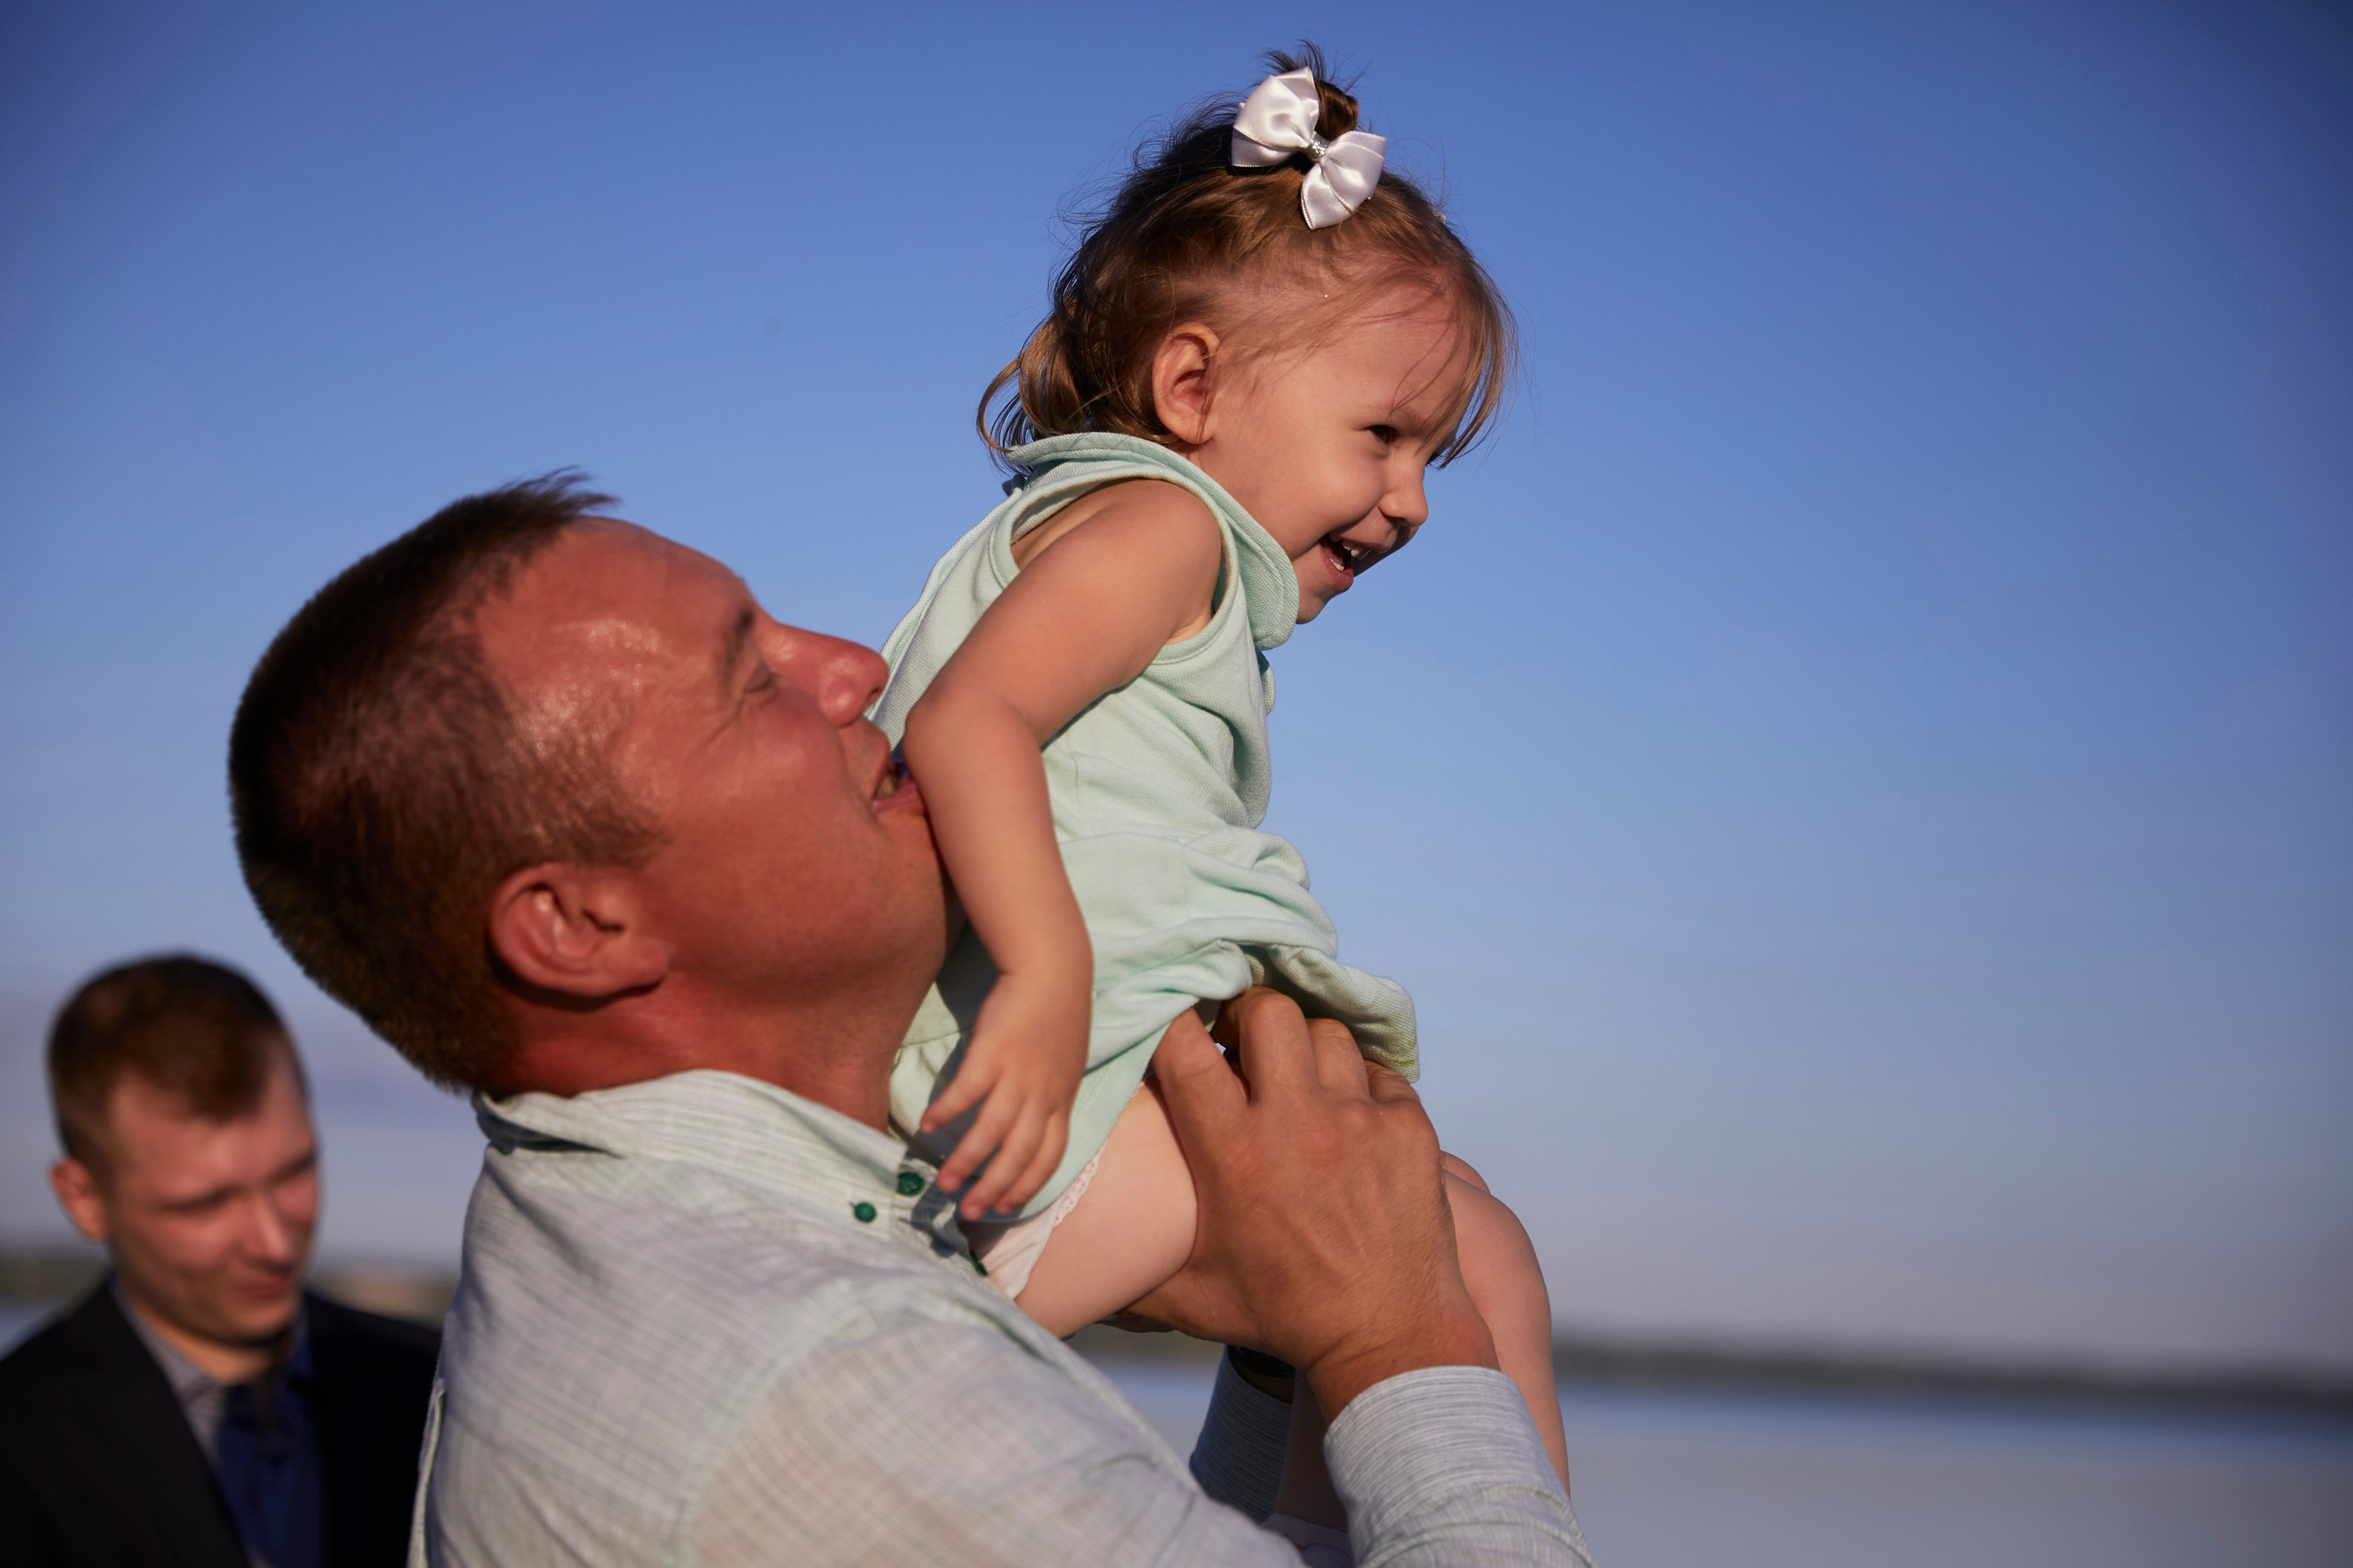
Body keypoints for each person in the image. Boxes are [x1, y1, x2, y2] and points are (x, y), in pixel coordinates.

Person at [226, 475, 1594, 1564]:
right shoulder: (826, 1392)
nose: (851, 664)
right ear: (579, 928)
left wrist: (1293, 1336)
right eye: (749, 677)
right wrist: (1395, 1333)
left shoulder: (622, 1256)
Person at [874, 49, 1568, 1515]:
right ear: (1192, 384)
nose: (1413, 498)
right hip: (1058, 1089)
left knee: (1470, 1237)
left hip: (1099, 1071)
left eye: (1435, 452)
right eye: (1383, 433)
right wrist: (1052, 974)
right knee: (1450, 1261)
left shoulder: (1125, 531)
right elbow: (965, 721)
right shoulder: (1162, 528)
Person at [0, 955, 441, 1568]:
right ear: (84, 1198)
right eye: (205, 1204)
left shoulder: (434, 1392)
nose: (273, 1243)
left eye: (294, 1172)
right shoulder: (19, 1443)